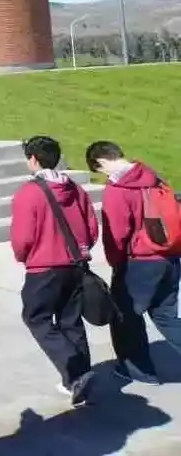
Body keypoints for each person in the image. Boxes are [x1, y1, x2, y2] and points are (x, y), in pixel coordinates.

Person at [11, 135, 99, 404]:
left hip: (43, 267)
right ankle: (79, 381)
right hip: (75, 264)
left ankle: (75, 372)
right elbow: (92, 227)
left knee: (36, 318)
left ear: (33, 159)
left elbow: (22, 237)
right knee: (71, 320)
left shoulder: (29, 192)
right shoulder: (74, 188)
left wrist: (24, 256)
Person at [88, 140, 181, 384]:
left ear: (101, 161)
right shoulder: (154, 177)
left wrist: (116, 263)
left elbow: (116, 233)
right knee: (166, 316)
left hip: (140, 263)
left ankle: (138, 370)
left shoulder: (118, 188)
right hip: (169, 257)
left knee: (124, 316)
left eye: (100, 170)